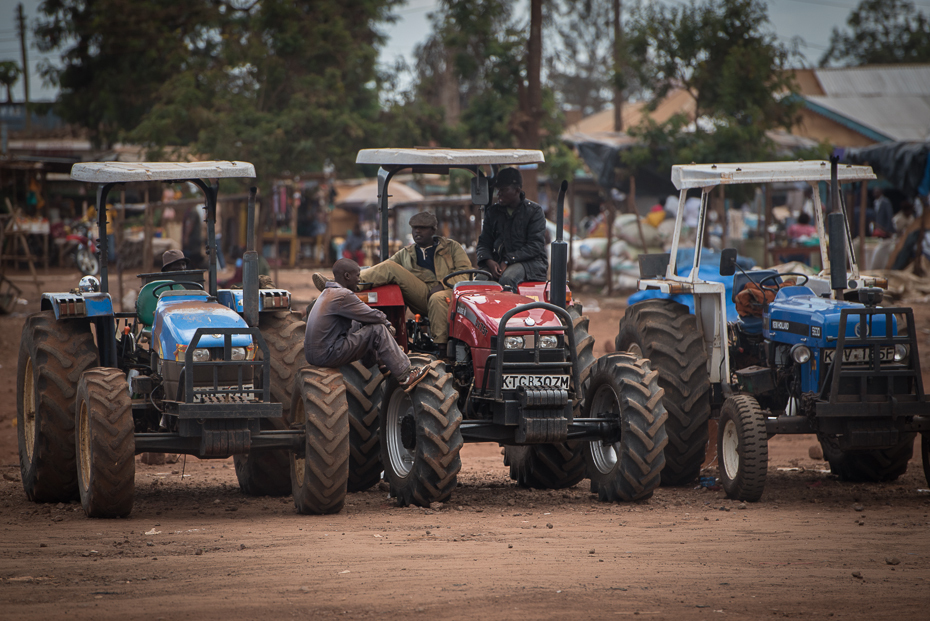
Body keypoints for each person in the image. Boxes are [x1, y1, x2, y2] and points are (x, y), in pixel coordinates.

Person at [313, 211, 471, 348]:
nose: (417, 232)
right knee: (389, 267)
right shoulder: (406, 253)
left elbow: (465, 274)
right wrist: (358, 273)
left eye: (422, 228)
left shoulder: (452, 247)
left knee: (437, 298)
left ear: (433, 230)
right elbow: (382, 269)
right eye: (415, 228)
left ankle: (442, 349)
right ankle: (340, 284)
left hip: (449, 295)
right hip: (422, 295)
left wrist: (442, 285)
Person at [305, 258, 428, 391]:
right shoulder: (344, 295)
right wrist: (387, 324)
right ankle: (405, 376)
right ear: (347, 276)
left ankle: (383, 362)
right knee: (378, 329)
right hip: (328, 354)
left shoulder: (326, 293)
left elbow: (363, 318)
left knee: (358, 322)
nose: (359, 280)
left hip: (313, 354)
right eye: (357, 275)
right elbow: (373, 315)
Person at [476, 167, 548, 289]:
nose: (499, 193)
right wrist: (489, 261)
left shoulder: (534, 211)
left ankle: (510, 308)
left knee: (508, 279)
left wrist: (508, 260)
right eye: (498, 190)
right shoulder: (493, 212)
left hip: (530, 264)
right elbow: (484, 243)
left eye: (503, 190)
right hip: (501, 262)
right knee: (480, 280)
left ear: (517, 190)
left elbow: (535, 245)